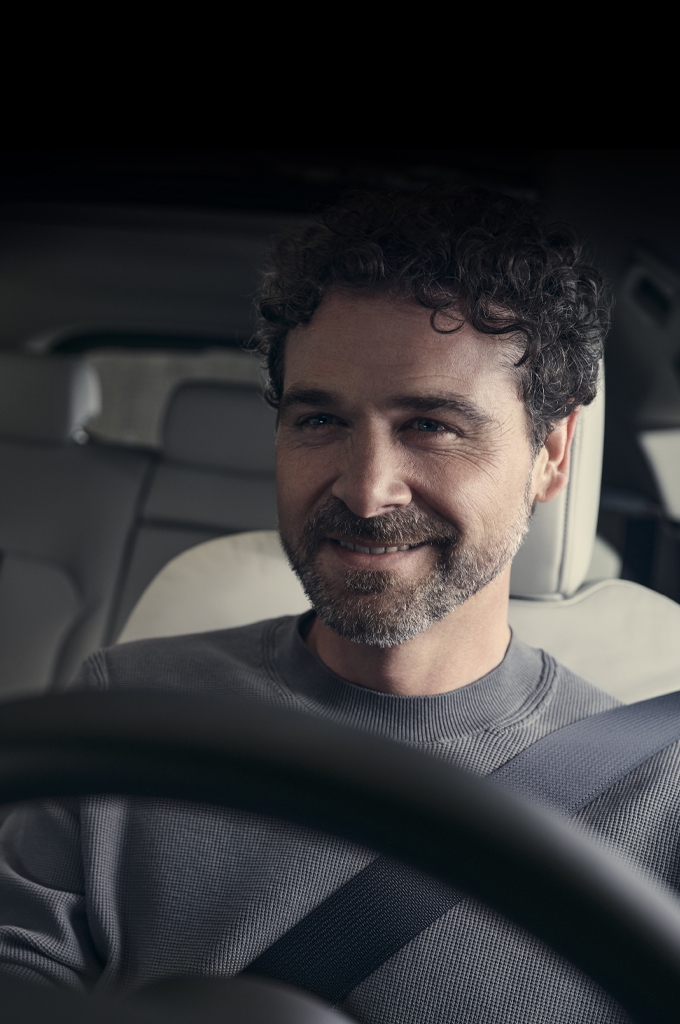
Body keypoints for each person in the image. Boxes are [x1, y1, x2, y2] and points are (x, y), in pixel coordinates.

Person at [0, 186, 674, 1024]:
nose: (365, 491)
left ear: (551, 455)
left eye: (431, 424)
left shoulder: (659, 795)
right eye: (319, 419)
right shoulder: (124, 716)